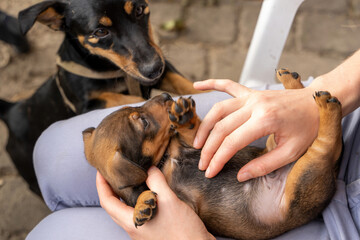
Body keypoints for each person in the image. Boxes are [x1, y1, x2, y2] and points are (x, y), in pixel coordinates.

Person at [27, 49, 360, 240]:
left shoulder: (139, 163)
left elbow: (186, 201)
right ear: (132, 164)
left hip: (281, 204)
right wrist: (331, 91)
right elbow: (194, 146)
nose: (156, 101)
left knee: (52, 234)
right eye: (142, 119)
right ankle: (319, 113)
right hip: (287, 151)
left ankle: (326, 137)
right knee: (51, 152)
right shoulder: (136, 167)